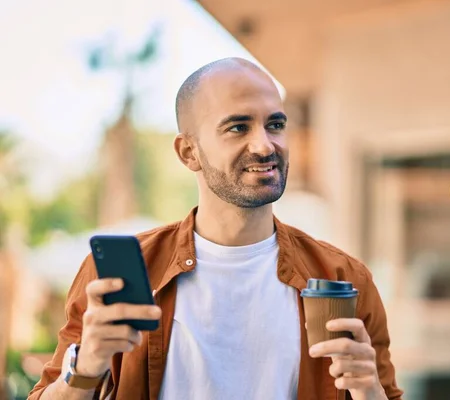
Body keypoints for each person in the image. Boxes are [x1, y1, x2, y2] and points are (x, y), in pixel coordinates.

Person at [28, 57, 403, 400]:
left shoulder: (344, 277)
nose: (264, 145)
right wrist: (85, 369)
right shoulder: (120, 275)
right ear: (188, 152)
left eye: (275, 124)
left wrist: (369, 390)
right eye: (238, 127)